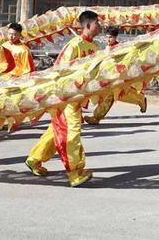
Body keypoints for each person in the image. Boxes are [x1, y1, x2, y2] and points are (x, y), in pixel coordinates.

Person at [25, 10, 100, 187]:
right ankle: (75, 172)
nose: (100, 26)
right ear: (88, 25)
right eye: (98, 23)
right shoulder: (74, 46)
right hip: (67, 97)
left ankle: (34, 159)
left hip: (79, 97)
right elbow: (59, 71)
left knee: (56, 130)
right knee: (71, 132)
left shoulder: (96, 47)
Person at [83, 26, 147, 125]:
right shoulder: (107, 48)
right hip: (107, 77)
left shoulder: (120, 48)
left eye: (110, 37)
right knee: (120, 94)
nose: (108, 40)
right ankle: (140, 99)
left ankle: (96, 117)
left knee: (111, 95)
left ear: (116, 37)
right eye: (107, 37)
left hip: (117, 77)